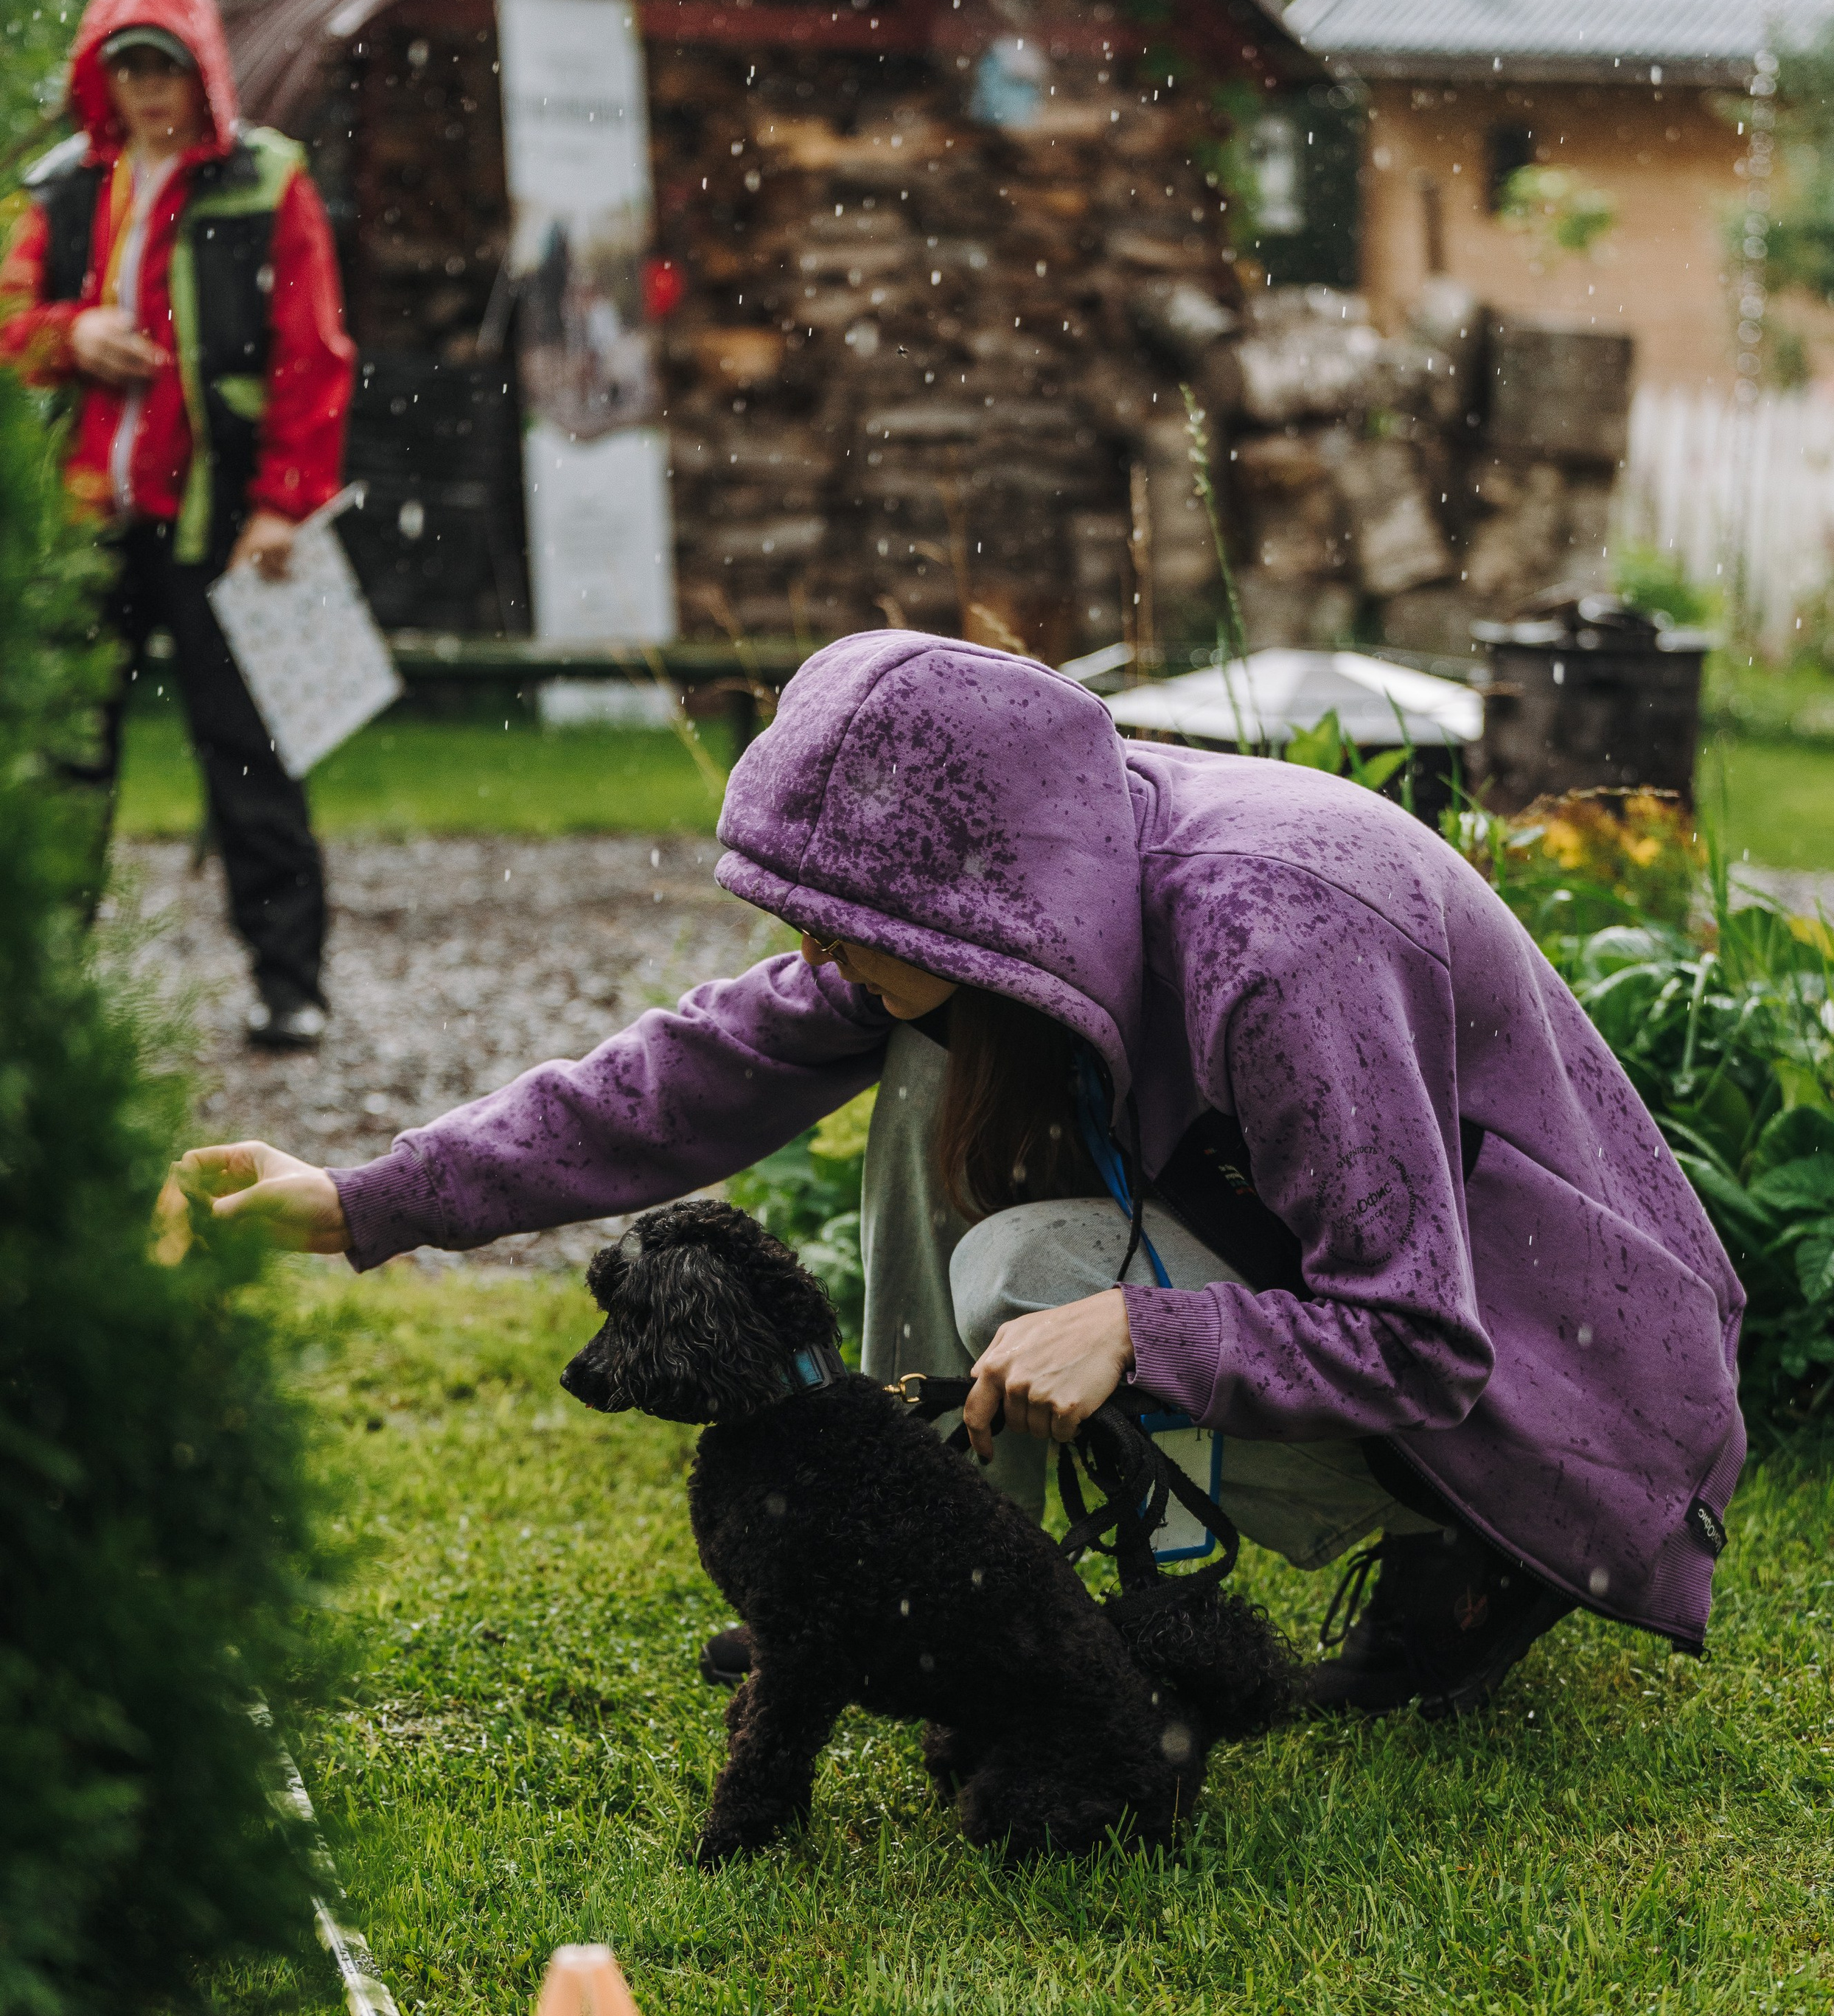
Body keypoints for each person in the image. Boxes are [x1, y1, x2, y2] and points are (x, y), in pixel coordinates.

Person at [169, 634, 1746, 1713]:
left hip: (1549, 1409)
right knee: (926, 1068)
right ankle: (923, 1571)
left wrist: (1139, 1329)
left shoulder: (1281, 940)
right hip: (1381, 1319)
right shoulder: (1008, 889)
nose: (808, 948)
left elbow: (1418, 1329)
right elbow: (681, 1075)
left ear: (945, 887)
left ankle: (1451, 1567)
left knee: (1034, 1274)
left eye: (831, 915)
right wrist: (363, 1198)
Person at [1, 0, 355, 1048]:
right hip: (84, 524)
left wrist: (285, 505)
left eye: (166, 69)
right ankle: (45, 984)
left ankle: (289, 984)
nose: (150, 92)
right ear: (102, 79)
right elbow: (8, 319)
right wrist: (73, 336)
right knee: (63, 758)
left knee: (248, 754)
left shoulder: (266, 180)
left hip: (219, 517)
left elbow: (314, 351)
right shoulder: (61, 184)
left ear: (203, 73)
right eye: (131, 70)